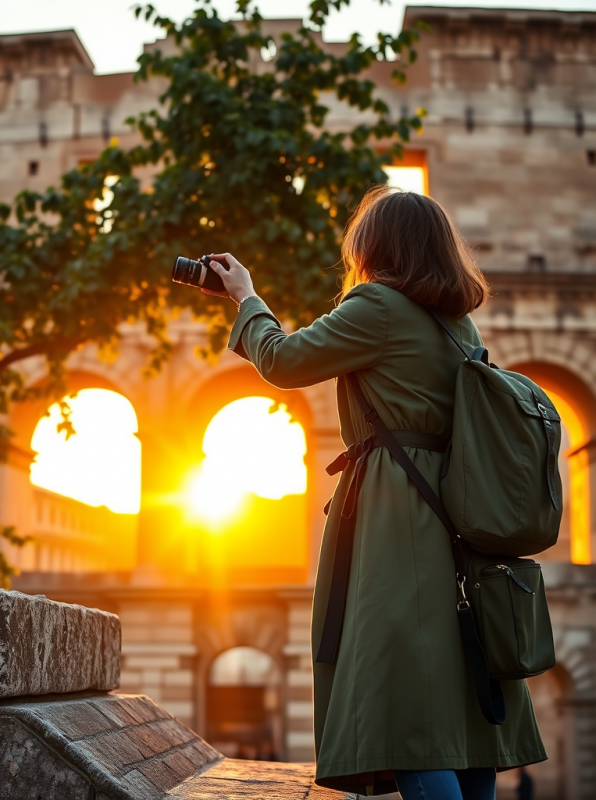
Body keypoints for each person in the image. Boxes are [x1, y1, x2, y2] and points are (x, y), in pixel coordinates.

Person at [202, 185, 547, 800]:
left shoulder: (379, 307)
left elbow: (283, 361)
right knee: (464, 711)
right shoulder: (457, 323)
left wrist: (246, 298)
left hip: (399, 511)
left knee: (404, 710)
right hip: (459, 511)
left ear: (375, 248)